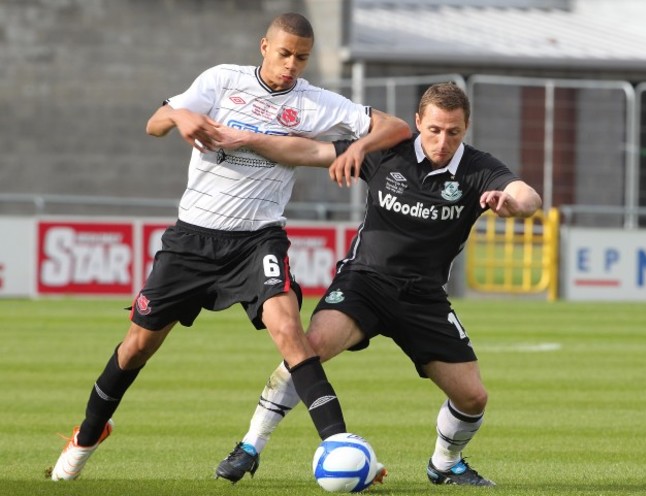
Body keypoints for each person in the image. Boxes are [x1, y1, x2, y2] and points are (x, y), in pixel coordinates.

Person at [47, 12, 411, 482]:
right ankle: (89, 433)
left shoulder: (316, 103)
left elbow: (396, 126)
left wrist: (360, 147)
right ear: (264, 46)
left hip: (258, 239)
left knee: (289, 331)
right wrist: (180, 116)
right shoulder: (222, 81)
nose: (291, 65)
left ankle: (340, 445)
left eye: (301, 58)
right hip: (192, 239)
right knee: (137, 346)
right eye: (283, 54)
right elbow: (154, 123)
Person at [209, 82, 542, 486]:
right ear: (418, 122)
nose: (442, 140)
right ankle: (250, 446)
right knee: (307, 350)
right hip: (365, 282)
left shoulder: (477, 169)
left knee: (473, 398)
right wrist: (246, 140)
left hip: (424, 299)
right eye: (434, 129)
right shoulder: (387, 150)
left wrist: (512, 204)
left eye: (453, 132)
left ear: (466, 129)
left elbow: (528, 196)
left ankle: (445, 463)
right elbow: (309, 150)